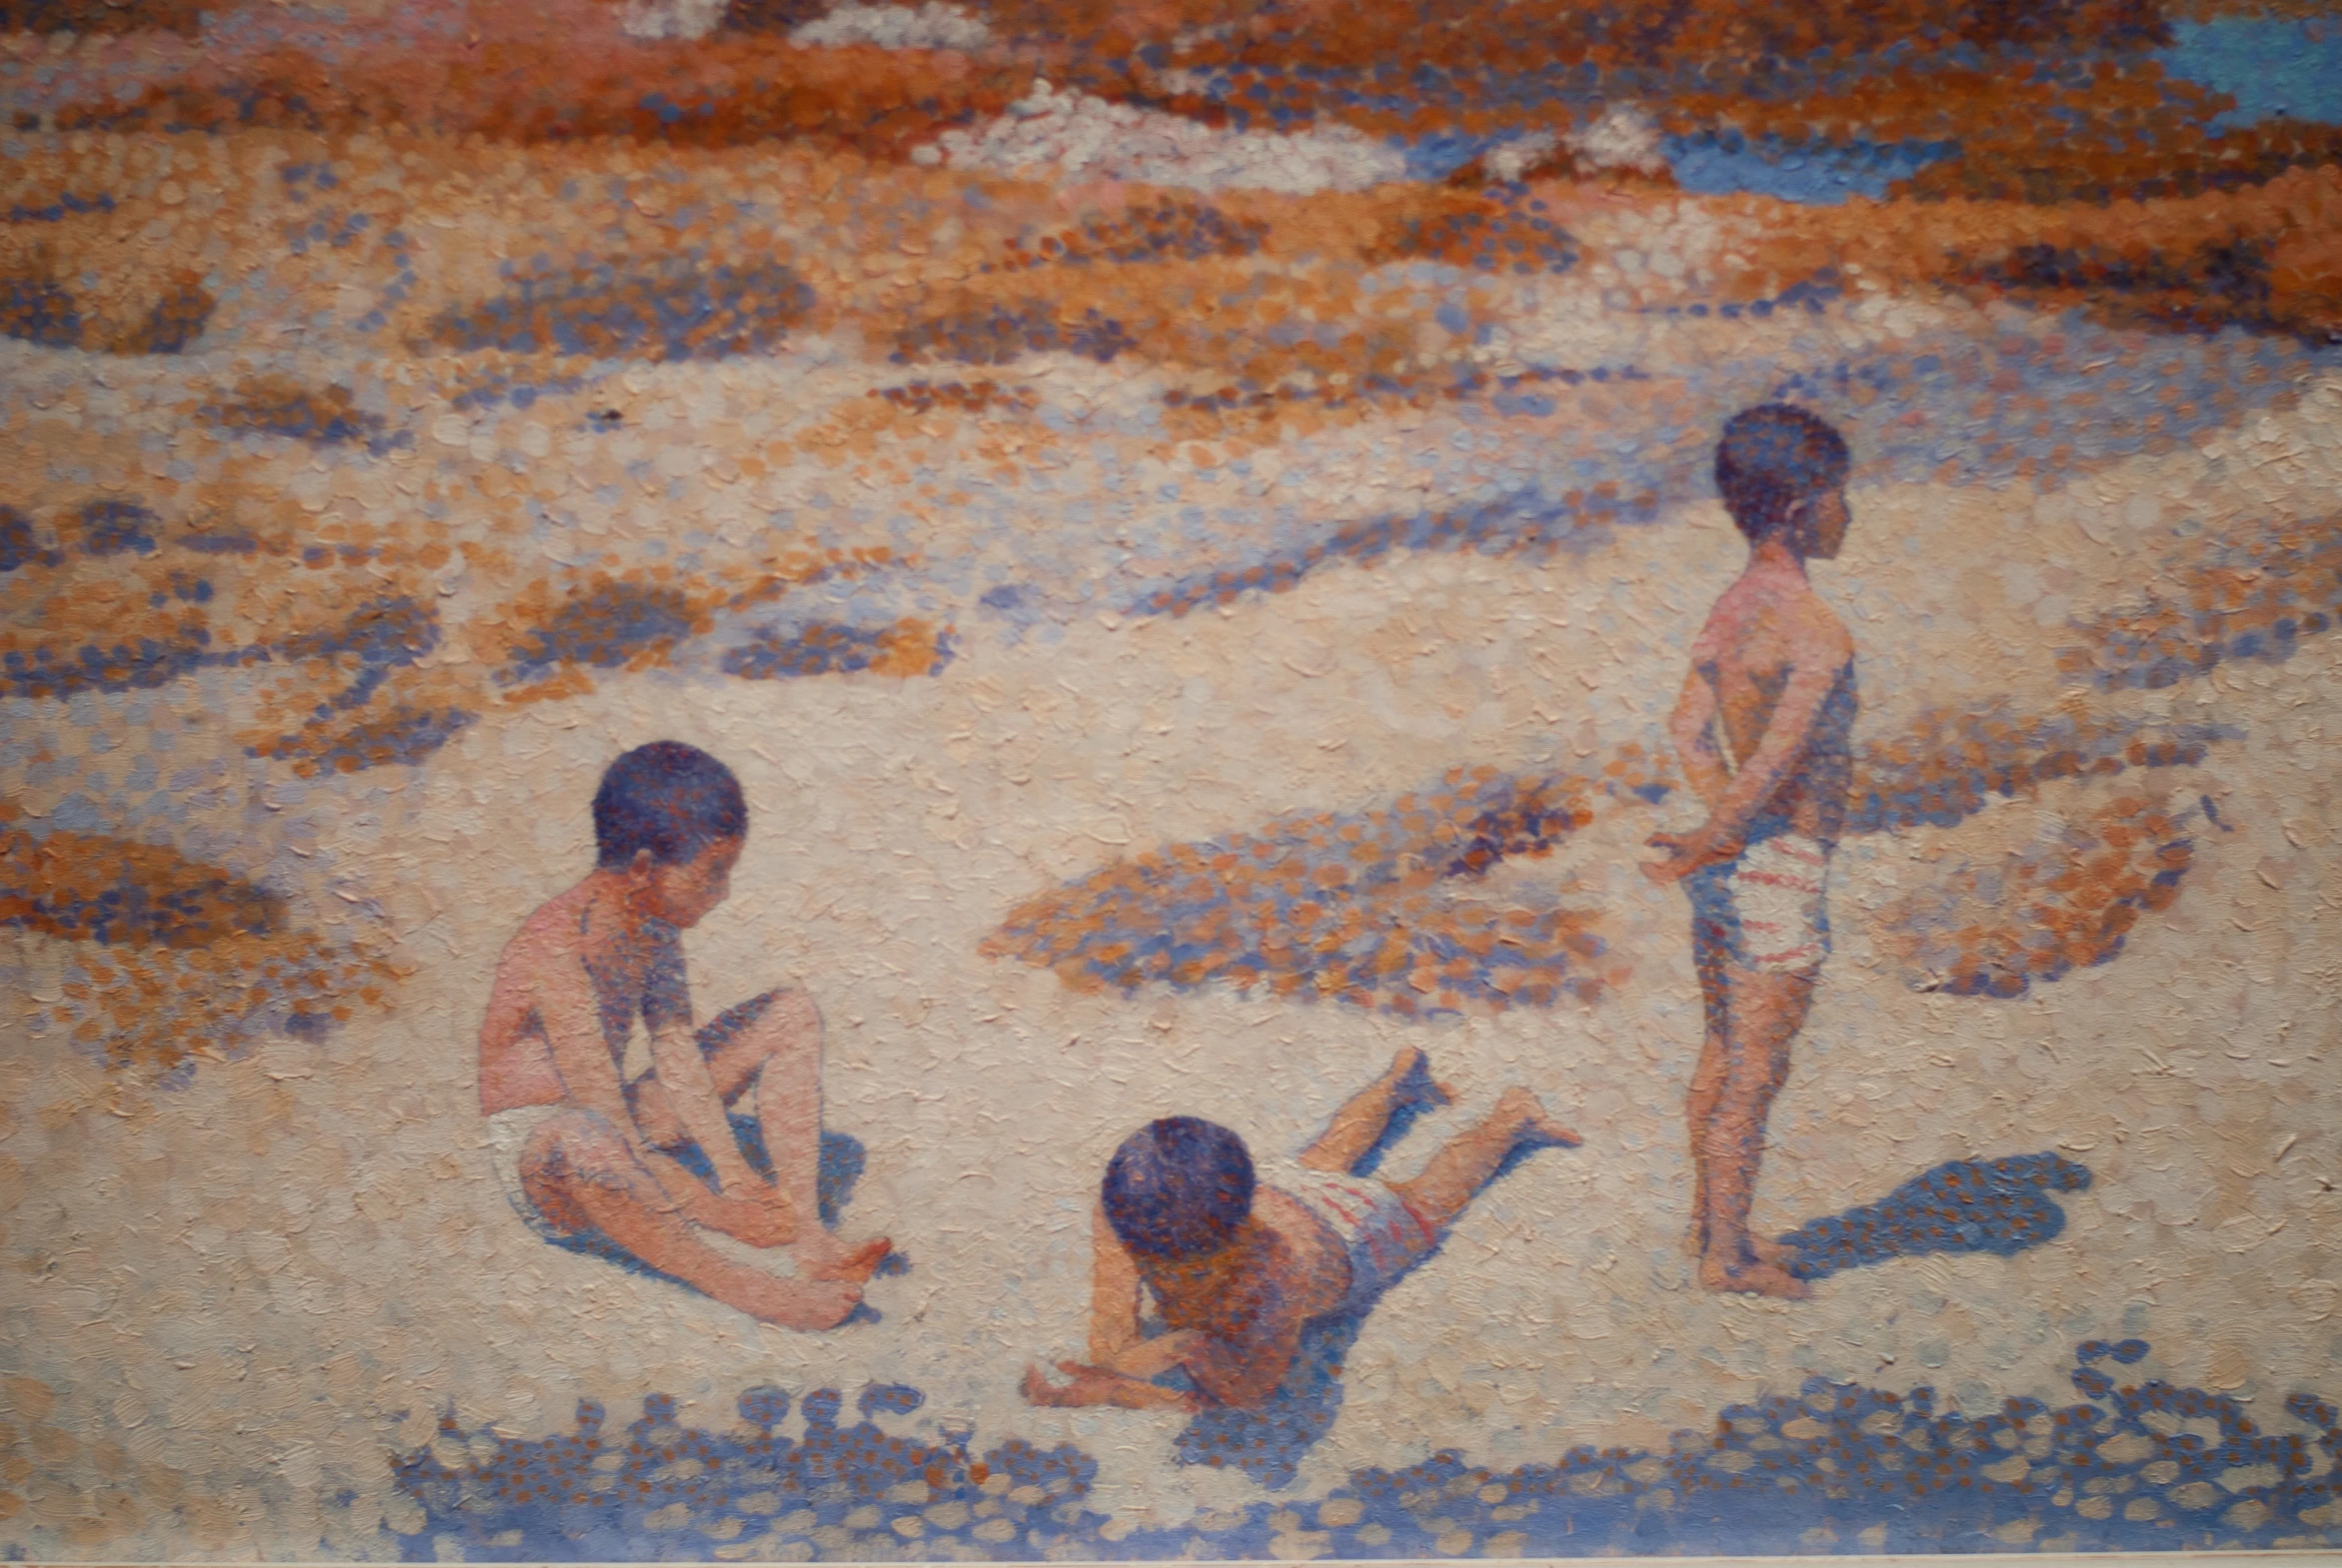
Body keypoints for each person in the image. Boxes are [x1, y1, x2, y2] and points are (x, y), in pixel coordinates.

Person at [476, 740, 890, 1329]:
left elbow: (676, 1051)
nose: (721, 893)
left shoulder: (655, 927)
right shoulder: (557, 947)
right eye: (712, 874)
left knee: (789, 1011)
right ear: (644, 868)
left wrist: (734, 1172)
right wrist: (718, 1213)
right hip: (547, 1158)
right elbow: (606, 1124)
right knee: (583, 1138)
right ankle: (746, 1287)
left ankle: (810, 1239)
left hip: (612, 1120)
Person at [1022, 1048, 1578, 1411]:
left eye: (1181, 1262)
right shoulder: (1129, 1210)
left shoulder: (1279, 1268)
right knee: (1320, 1162)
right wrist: (1119, 1372)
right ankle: (1396, 1084)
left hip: (1354, 1239)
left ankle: (1509, 1120)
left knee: (1425, 1201)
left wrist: (1184, 1352)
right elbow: (1110, 1342)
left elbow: (1252, 1389)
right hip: (1284, 1196)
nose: (1150, 1264)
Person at [1641, 403, 1859, 1300]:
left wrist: (1712, 828)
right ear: (1806, 507)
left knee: (1720, 1054)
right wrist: (1733, 828)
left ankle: (1709, 1225)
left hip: (1730, 865)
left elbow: (1690, 731)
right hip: (1779, 864)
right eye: (1844, 497)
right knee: (1754, 1074)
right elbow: (1781, 756)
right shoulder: (1814, 628)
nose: (1851, 514)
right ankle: (1726, 1258)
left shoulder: (1729, 612)